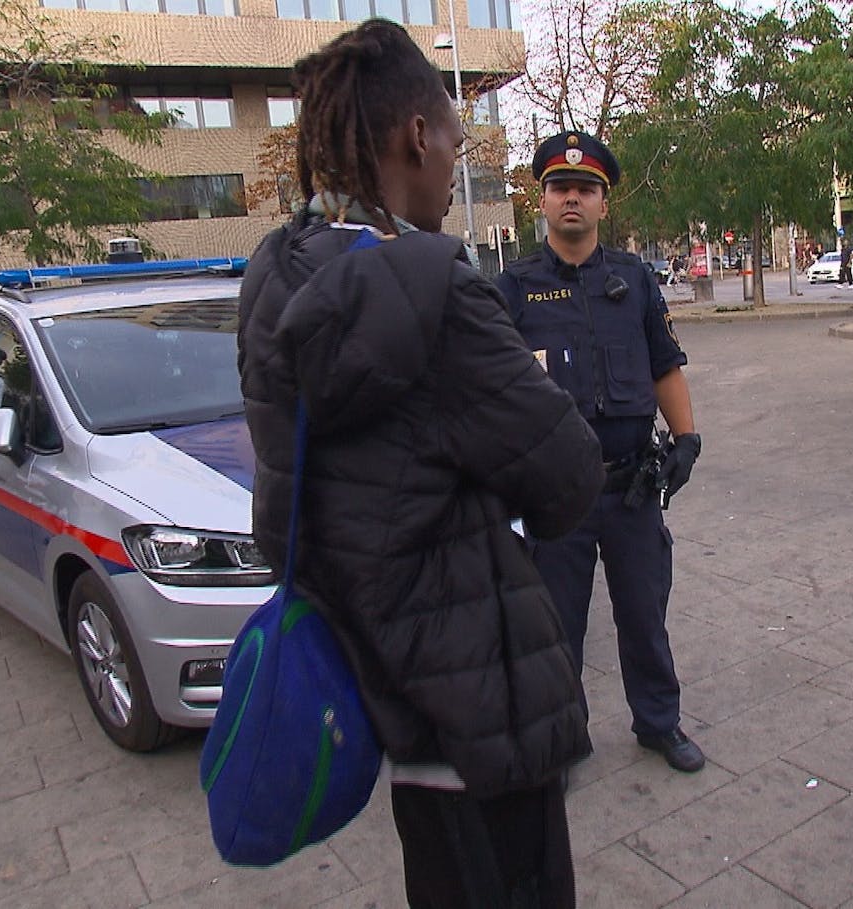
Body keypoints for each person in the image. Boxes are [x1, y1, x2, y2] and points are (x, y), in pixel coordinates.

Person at [236, 20, 604, 909]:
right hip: (487, 700)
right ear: (414, 136)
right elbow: (568, 477)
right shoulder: (438, 285)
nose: (454, 163)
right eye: (452, 139)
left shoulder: (271, 279)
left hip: (389, 692)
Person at [496, 131, 707, 774]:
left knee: (644, 615)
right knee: (557, 628)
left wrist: (688, 437)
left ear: (603, 204)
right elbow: (496, 389)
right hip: (556, 498)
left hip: (631, 490)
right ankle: (563, 740)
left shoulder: (634, 281)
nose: (573, 199)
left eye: (586, 190)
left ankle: (659, 723)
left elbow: (665, 366)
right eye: (561, 188)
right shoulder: (514, 288)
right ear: (543, 198)